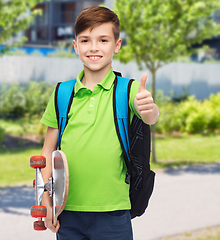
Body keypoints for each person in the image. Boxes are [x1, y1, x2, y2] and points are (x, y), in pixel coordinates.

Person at [40, 6, 159, 240]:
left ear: (116, 45)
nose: (94, 47)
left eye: (103, 39)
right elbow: (47, 151)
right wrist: (47, 199)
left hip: (113, 213)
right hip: (67, 213)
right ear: (75, 46)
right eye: (85, 40)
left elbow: (149, 116)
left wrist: (149, 108)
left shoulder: (129, 90)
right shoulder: (62, 93)